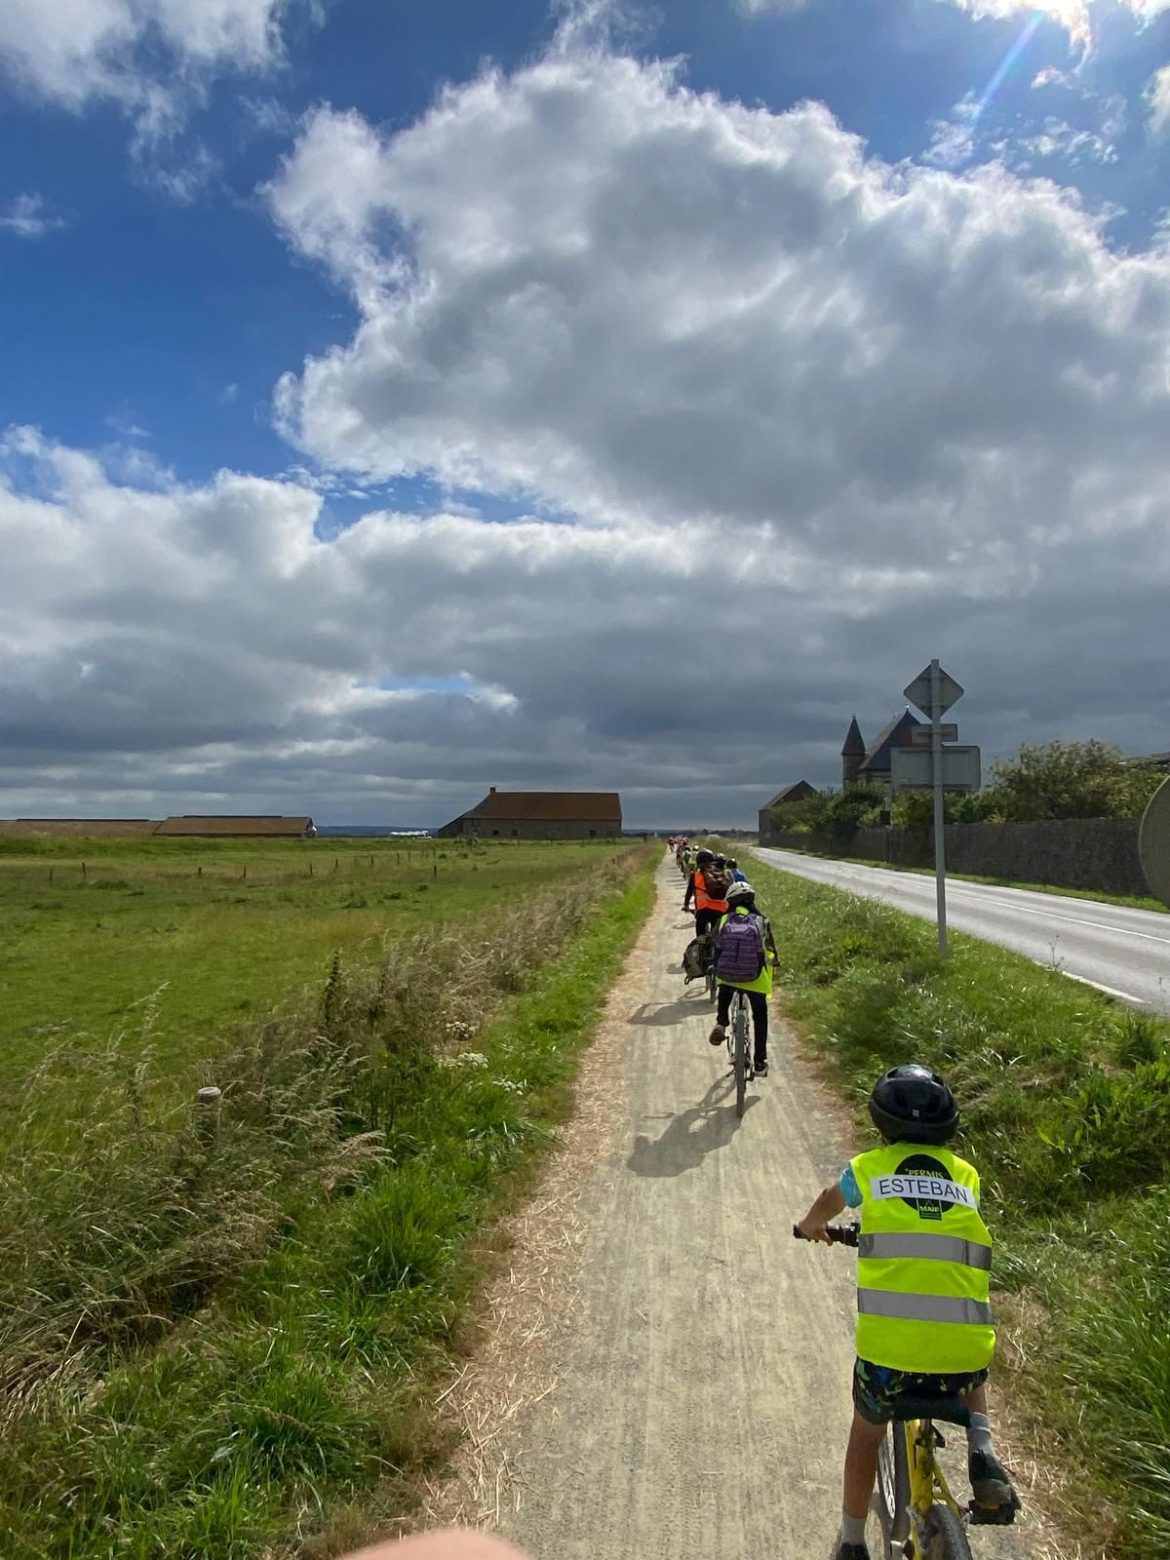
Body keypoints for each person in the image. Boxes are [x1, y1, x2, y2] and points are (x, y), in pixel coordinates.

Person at [797, 1064, 1019, 1560]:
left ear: (881, 1121)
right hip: (962, 1355)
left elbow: (826, 1204)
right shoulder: (967, 1176)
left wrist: (812, 1225)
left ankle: (853, 1544)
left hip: (888, 1357)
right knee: (967, 1340)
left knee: (865, 1436)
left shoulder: (868, 1169)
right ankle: (983, 1452)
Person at [706, 880, 777, 1075]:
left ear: (730, 901)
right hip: (755, 978)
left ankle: (721, 1021)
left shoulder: (724, 920)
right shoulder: (761, 920)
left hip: (728, 975)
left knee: (726, 986)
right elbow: (770, 950)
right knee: (760, 1017)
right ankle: (760, 1062)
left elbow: (715, 944)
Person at [681, 848, 730, 940]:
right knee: (717, 938)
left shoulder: (695, 875)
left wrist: (686, 905)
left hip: (703, 911)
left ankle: (701, 950)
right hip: (720, 910)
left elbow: (689, 892)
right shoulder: (721, 873)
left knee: (700, 937)